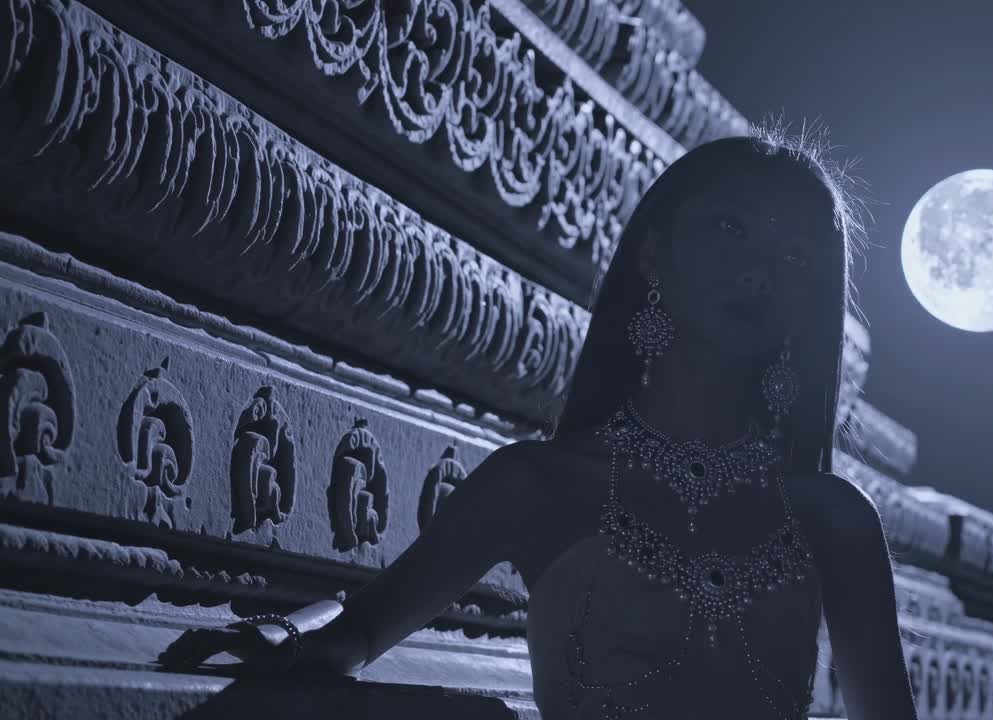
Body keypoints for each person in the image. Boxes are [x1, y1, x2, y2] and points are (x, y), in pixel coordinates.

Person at [159, 126, 919, 720]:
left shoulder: (833, 517)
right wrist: (284, 634)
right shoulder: (537, 484)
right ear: (655, 255)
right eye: (729, 228)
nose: (761, 270)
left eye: (796, 255)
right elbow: (359, 631)